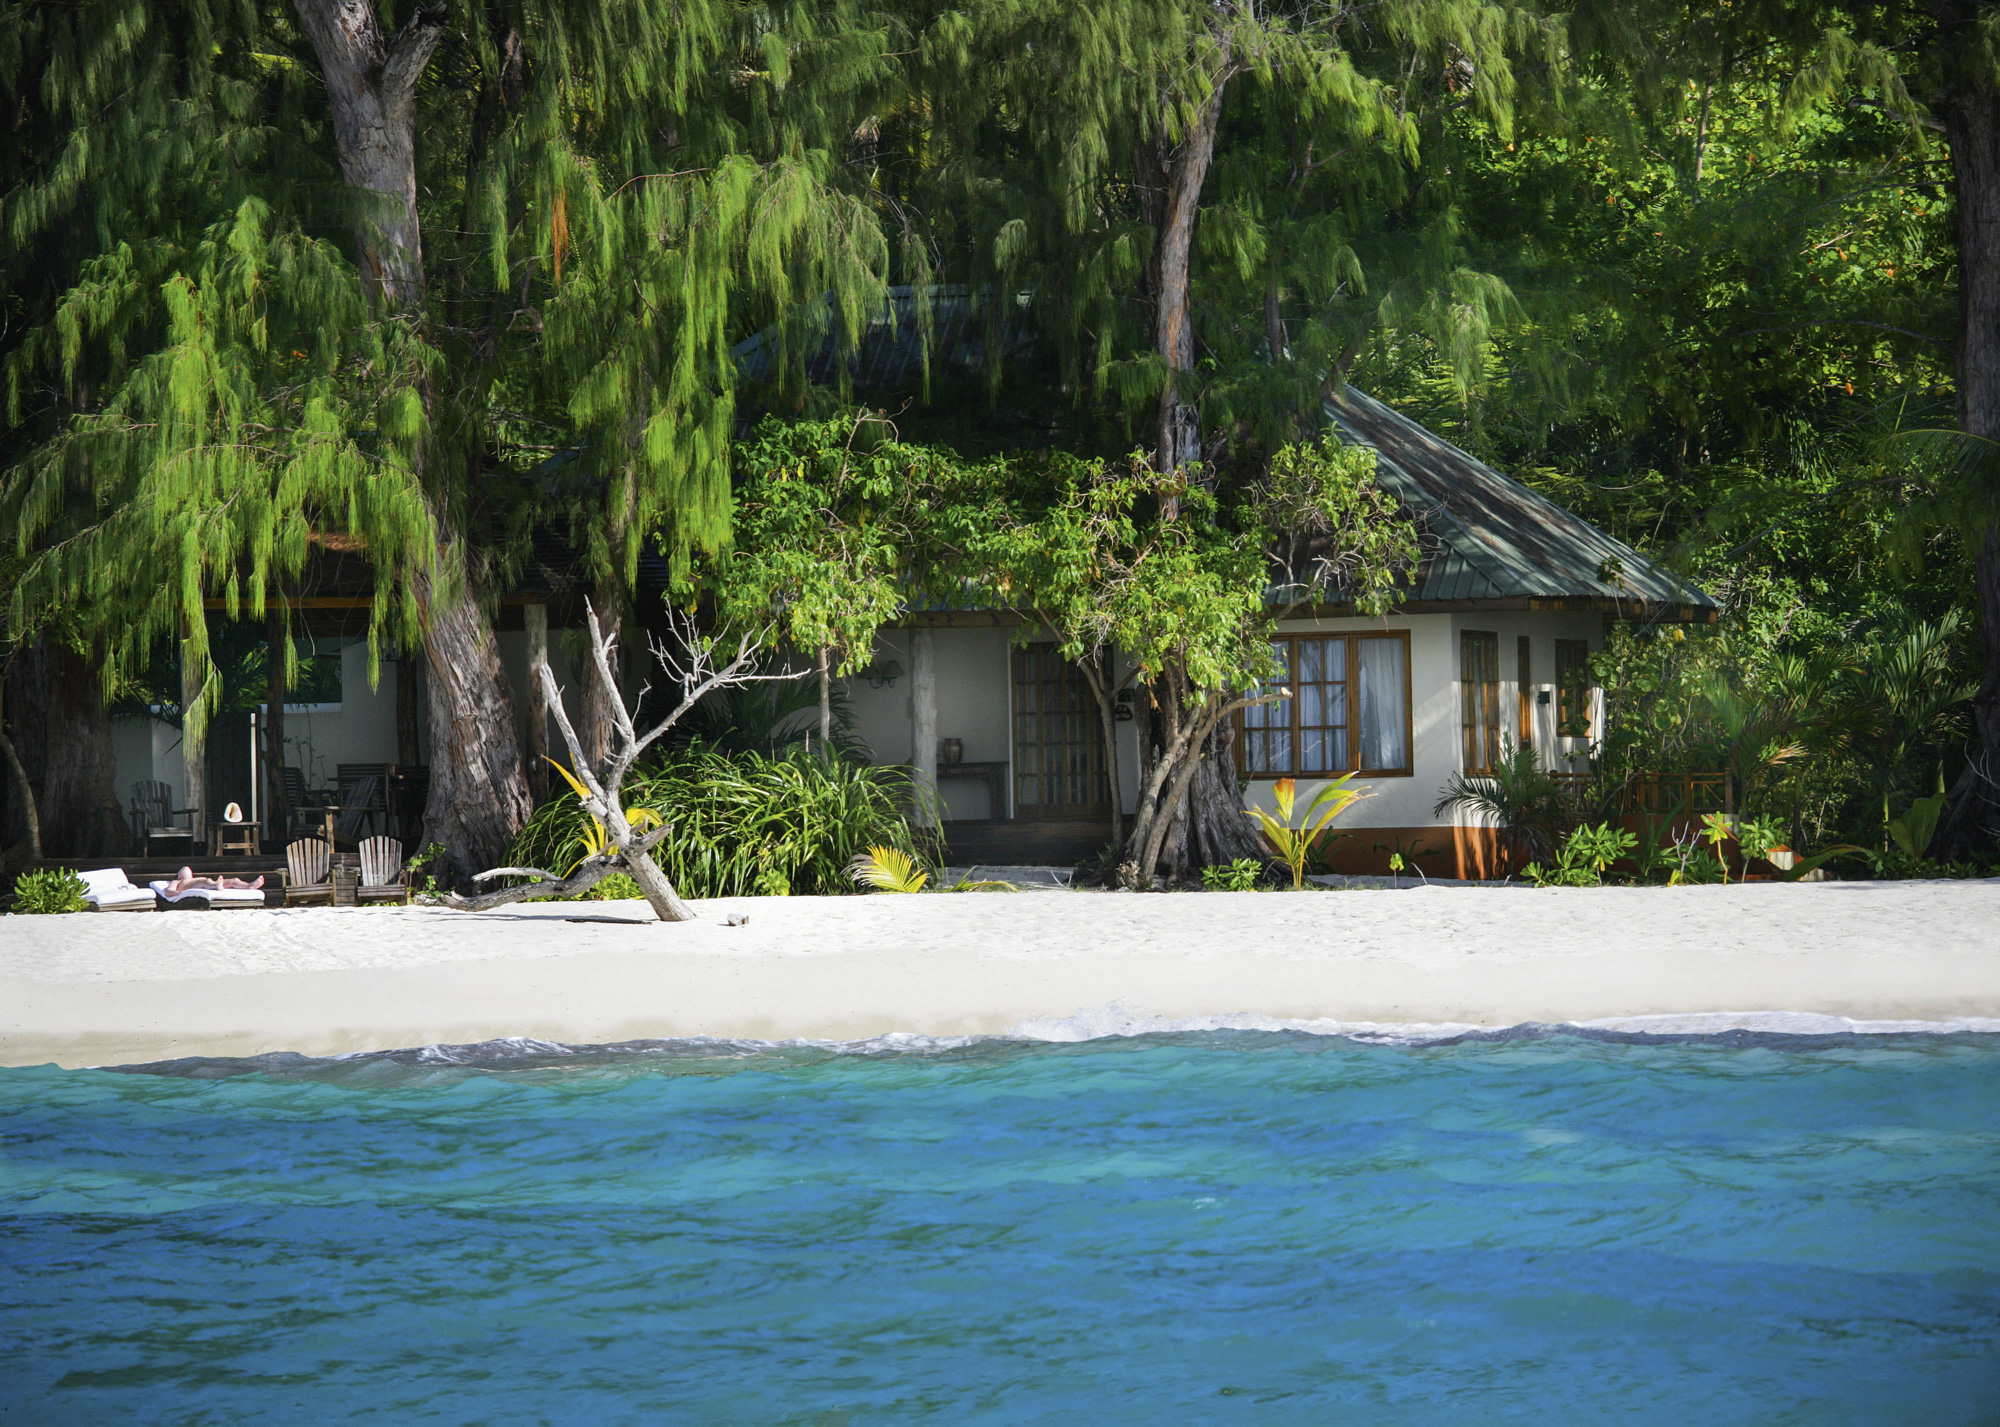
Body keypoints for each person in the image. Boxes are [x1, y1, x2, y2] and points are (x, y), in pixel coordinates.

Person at [164, 866, 265, 895]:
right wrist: (177, 893)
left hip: (202, 882)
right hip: (197, 884)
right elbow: (168, 892)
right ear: (179, 876)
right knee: (207, 882)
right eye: (183, 869)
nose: (186, 869)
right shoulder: (177, 882)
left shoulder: (193, 878)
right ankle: (216, 885)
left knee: (233, 880)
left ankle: (249, 885)